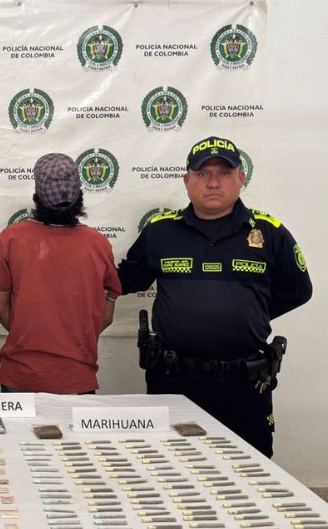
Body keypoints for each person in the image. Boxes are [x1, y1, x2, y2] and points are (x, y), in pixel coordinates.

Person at [118, 135, 312, 456]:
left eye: (224, 173)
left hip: (244, 383)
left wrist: (249, 314)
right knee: (168, 469)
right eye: (202, 173)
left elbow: (299, 291)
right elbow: (124, 281)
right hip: (173, 380)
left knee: (248, 472)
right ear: (187, 180)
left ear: (241, 177)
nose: (213, 182)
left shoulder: (269, 232)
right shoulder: (160, 231)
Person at [0, 153, 121, 394]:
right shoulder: (99, 244)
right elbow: (106, 316)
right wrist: (72, 340)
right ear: (79, 196)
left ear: (36, 197)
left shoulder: (11, 239)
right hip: (77, 377)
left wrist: (30, 336)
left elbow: (0, 309)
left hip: (20, 374)